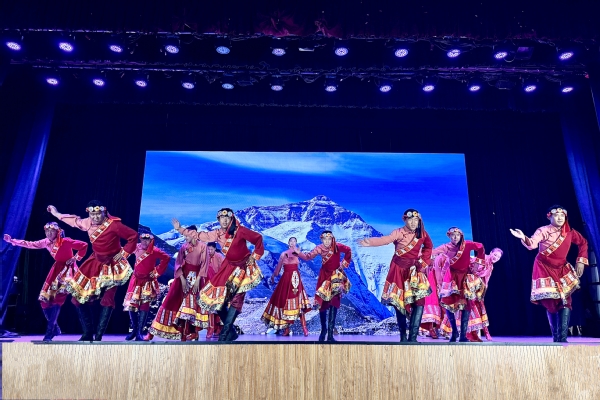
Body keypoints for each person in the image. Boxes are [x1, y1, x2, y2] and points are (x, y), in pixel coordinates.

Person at [48, 201, 137, 341]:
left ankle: (99, 336)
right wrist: (55, 213)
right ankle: (88, 332)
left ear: (104, 212)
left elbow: (133, 236)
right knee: (77, 298)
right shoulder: (87, 222)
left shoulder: (114, 225)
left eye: (98, 214)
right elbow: (72, 220)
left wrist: (124, 252)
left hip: (112, 265)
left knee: (108, 299)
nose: (95, 217)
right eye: (92, 214)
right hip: (94, 263)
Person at [173, 208, 264, 341]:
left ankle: (224, 333)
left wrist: (254, 256)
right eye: (222, 218)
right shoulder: (217, 233)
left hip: (243, 266)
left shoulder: (240, 230)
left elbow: (258, 238)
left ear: (231, 219)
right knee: (217, 300)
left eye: (227, 218)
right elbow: (200, 235)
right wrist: (180, 229)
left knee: (237, 299)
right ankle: (231, 332)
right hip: (228, 267)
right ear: (219, 220)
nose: (225, 220)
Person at [510, 205, 588, 342]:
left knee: (566, 301)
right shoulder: (543, 230)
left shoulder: (569, 232)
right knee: (551, 302)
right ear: (549, 217)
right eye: (556, 215)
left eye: (562, 215)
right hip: (544, 267)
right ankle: (556, 338)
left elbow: (583, 243)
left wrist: (581, 261)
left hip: (562, 268)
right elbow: (532, 244)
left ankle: (562, 339)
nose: (560, 218)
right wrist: (523, 237)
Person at [3, 222, 88, 341]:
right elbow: (30, 244)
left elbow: (84, 245)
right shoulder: (46, 242)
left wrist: (75, 258)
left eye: (51, 231)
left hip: (67, 271)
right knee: (44, 300)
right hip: (56, 270)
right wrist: (12, 241)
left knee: (57, 299)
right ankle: (55, 327)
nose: (49, 233)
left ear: (57, 232)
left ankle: (49, 331)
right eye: (47, 231)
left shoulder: (65, 241)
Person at [359, 209, 432, 342]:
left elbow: (429, 247)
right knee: (399, 303)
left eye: (416, 220)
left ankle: (413, 338)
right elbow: (386, 239)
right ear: (405, 220)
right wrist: (370, 242)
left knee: (419, 301)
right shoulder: (398, 232)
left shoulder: (422, 234)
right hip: (399, 271)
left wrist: (422, 262)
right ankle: (403, 337)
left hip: (414, 271)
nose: (413, 222)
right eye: (410, 219)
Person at [147, 226, 208, 341]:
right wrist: (182, 279)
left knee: (190, 306)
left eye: (187, 235)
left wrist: (198, 281)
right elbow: (178, 264)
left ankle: (188, 333)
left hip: (196, 279)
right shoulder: (184, 247)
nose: (185, 237)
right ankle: (152, 332)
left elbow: (204, 265)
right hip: (181, 278)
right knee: (169, 302)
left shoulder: (203, 247)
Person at [295, 231, 351, 342]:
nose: (327, 241)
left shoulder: (337, 246)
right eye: (325, 239)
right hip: (324, 277)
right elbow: (308, 257)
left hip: (335, 276)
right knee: (323, 303)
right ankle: (323, 330)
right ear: (322, 239)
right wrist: (299, 253)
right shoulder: (319, 248)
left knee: (334, 302)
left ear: (332, 239)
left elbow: (348, 250)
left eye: (329, 239)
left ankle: (330, 334)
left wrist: (343, 264)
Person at [433, 227, 485, 342]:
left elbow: (480, 246)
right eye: (452, 235)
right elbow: (432, 252)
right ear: (449, 236)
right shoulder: (446, 247)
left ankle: (463, 335)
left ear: (461, 236)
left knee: (466, 304)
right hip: (452, 277)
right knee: (448, 303)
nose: (455, 237)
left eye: (457, 235)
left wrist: (478, 263)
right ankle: (454, 331)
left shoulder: (467, 244)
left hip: (465, 277)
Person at [123, 233, 170, 341]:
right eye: (143, 239)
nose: (144, 242)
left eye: (147, 240)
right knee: (131, 304)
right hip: (135, 280)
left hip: (147, 281)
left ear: (150, 241)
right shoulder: (136, 247)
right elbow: (124, 252)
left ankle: (139, 332)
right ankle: (134, 330)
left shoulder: (155, 250)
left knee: (144, 305)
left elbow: (166, 258)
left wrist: (157, 271)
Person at [262, 237, 311, 336]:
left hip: (296, 279)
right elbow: (278, 268)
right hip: (286, 279)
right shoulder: (284, 254)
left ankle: (304, 327)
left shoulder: (297, 252)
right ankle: (286, 329)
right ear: (288, 243)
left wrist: (303, 252)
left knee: (299, 303)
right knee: (284, 302)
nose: (293, 243)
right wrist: (273, 276)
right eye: (291, 241)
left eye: (295, 241)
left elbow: (306, 258)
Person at [466, 248, 503, 341]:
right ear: (491, 253)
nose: (496, 258)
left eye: (498, 257)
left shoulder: (491, 266)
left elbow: (485, 281)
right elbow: (471, 269)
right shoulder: (482, 258)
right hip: (469, 286)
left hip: (478, 288)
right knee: (472, 309)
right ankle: (471, 334)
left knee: (481, 309)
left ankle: (486, 333)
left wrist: (482, 293)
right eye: (495, 255)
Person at [205, 242, 224, 339]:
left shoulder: (219, 257)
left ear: (215, 249)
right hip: (207, 285)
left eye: (211, 249)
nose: (209, 251)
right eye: (208, 249)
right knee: (209, 308)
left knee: (217, 308)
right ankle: (210, 328)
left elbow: (224, 270)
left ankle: (217, 328)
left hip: (218, 284)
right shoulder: (205, 257)